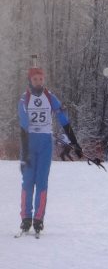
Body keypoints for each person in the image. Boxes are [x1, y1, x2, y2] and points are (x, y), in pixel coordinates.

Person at [17, 66, 81, 235]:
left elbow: (63, 121)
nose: (38, 82)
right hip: (29, 143)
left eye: (41, 79)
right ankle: (25, 218)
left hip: (45, 143)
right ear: (30, 80)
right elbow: (23, 127)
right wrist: (24, 156)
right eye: (35, 79)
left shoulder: (50, 97)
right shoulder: (24, 99)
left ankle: (38, 219)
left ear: (44, 80)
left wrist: (75, 143)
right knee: (28, 182)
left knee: (42, 182)